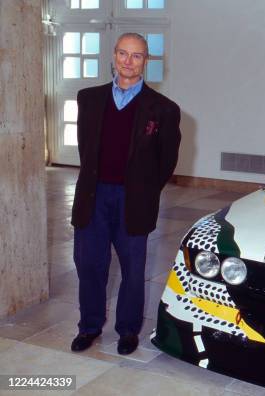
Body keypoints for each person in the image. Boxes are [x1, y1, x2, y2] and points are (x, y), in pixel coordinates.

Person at [70, 33, 181, 355]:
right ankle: (89, 327)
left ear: (146, 60)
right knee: (89, 265)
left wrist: (144, 191)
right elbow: (85, 148)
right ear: (114, 56)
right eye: (123, 53)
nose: (128, 61)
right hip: (93, 196)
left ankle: (128, 331)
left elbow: (167, 161)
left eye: (136, 55)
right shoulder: (88, 98)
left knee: (133, 270)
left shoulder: (164, 109)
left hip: (133, 201)